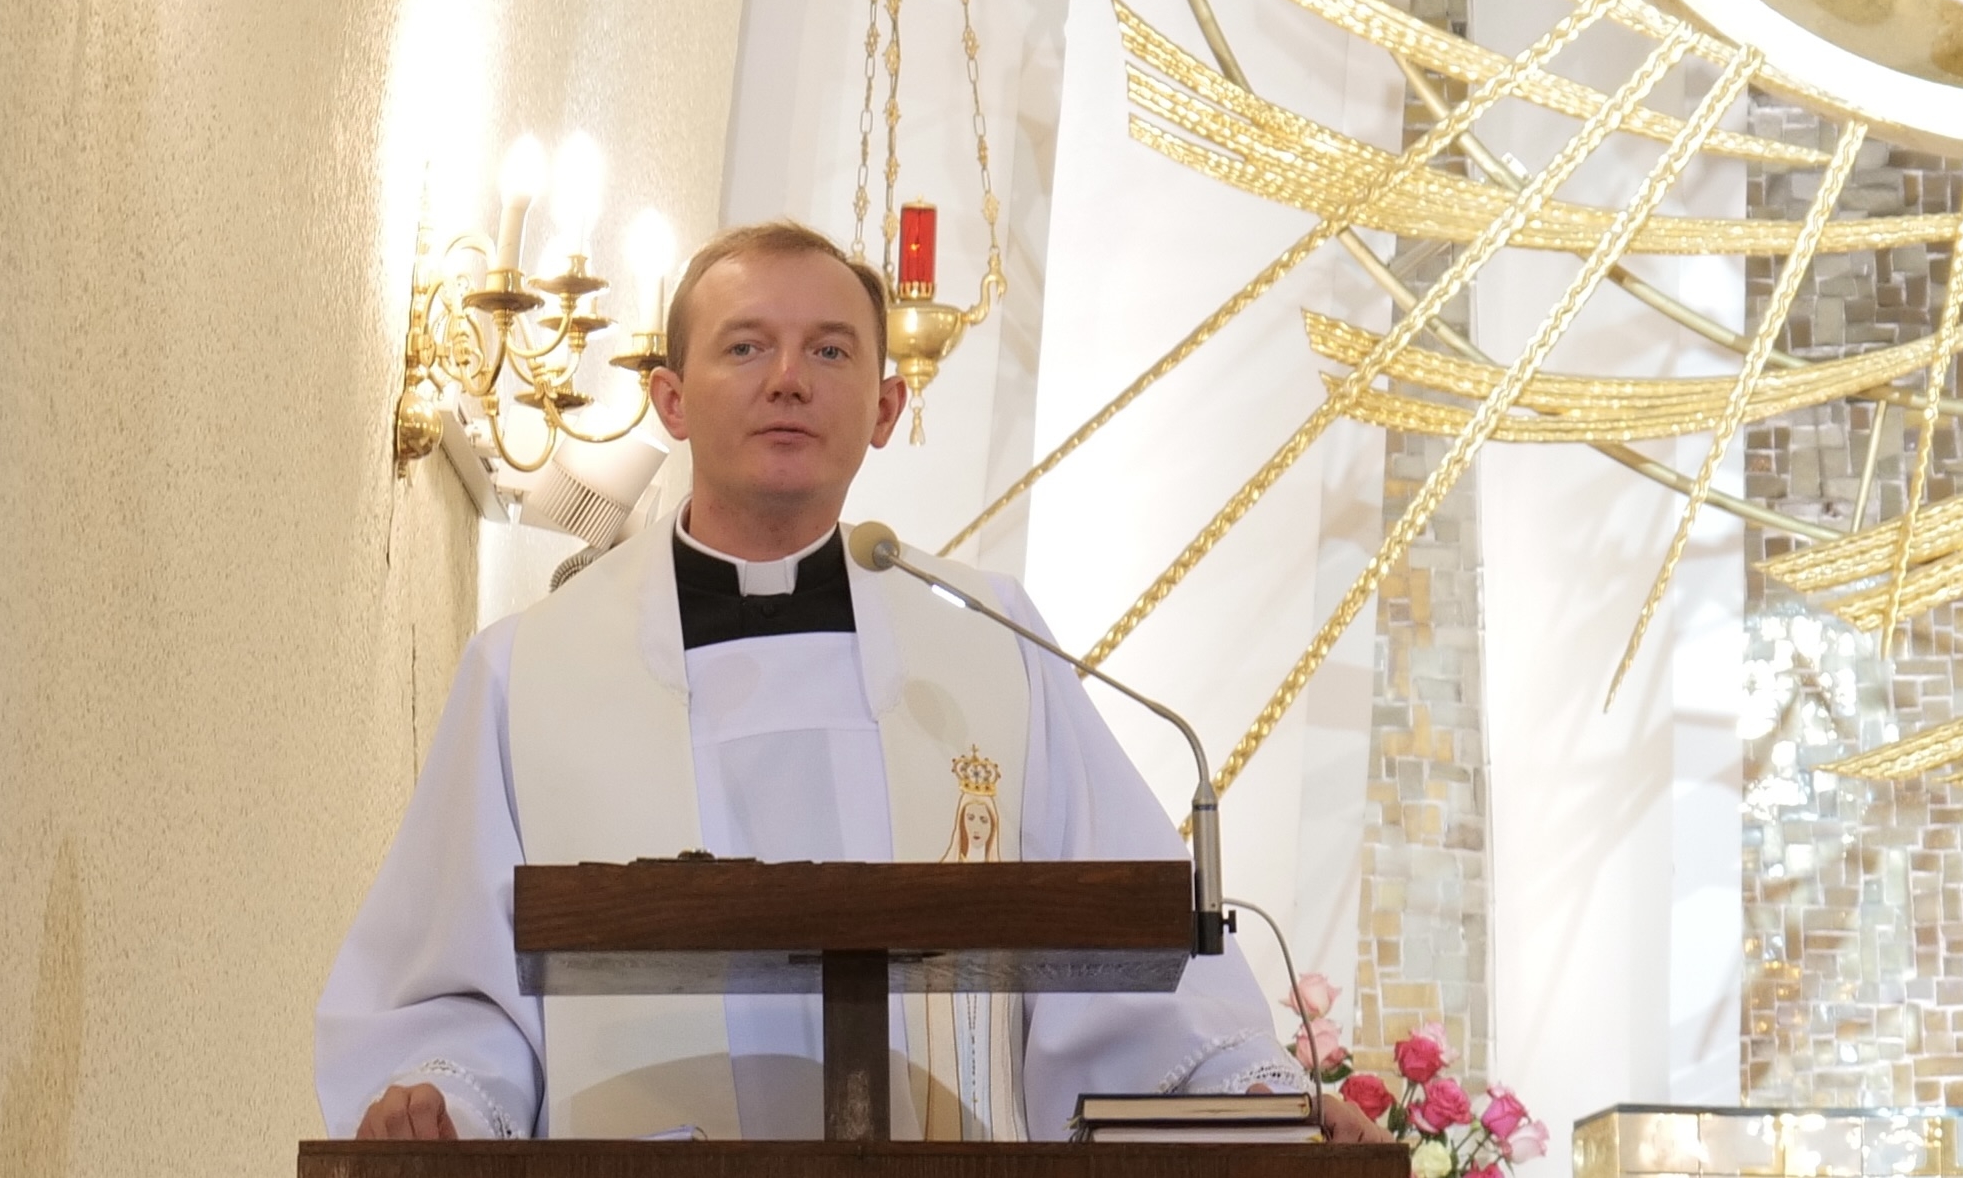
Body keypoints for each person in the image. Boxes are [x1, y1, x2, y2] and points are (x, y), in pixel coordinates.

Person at [318, 219, 1378, 1143]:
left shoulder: (993, 645)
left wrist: (1256, 1099)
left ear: (884, 407)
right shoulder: (530, 669)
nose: (788, 378)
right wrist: (445, 1098)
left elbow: (1126, 956)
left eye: (829, 350)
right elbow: (459, 976)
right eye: (746, 346)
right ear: (670, 400)